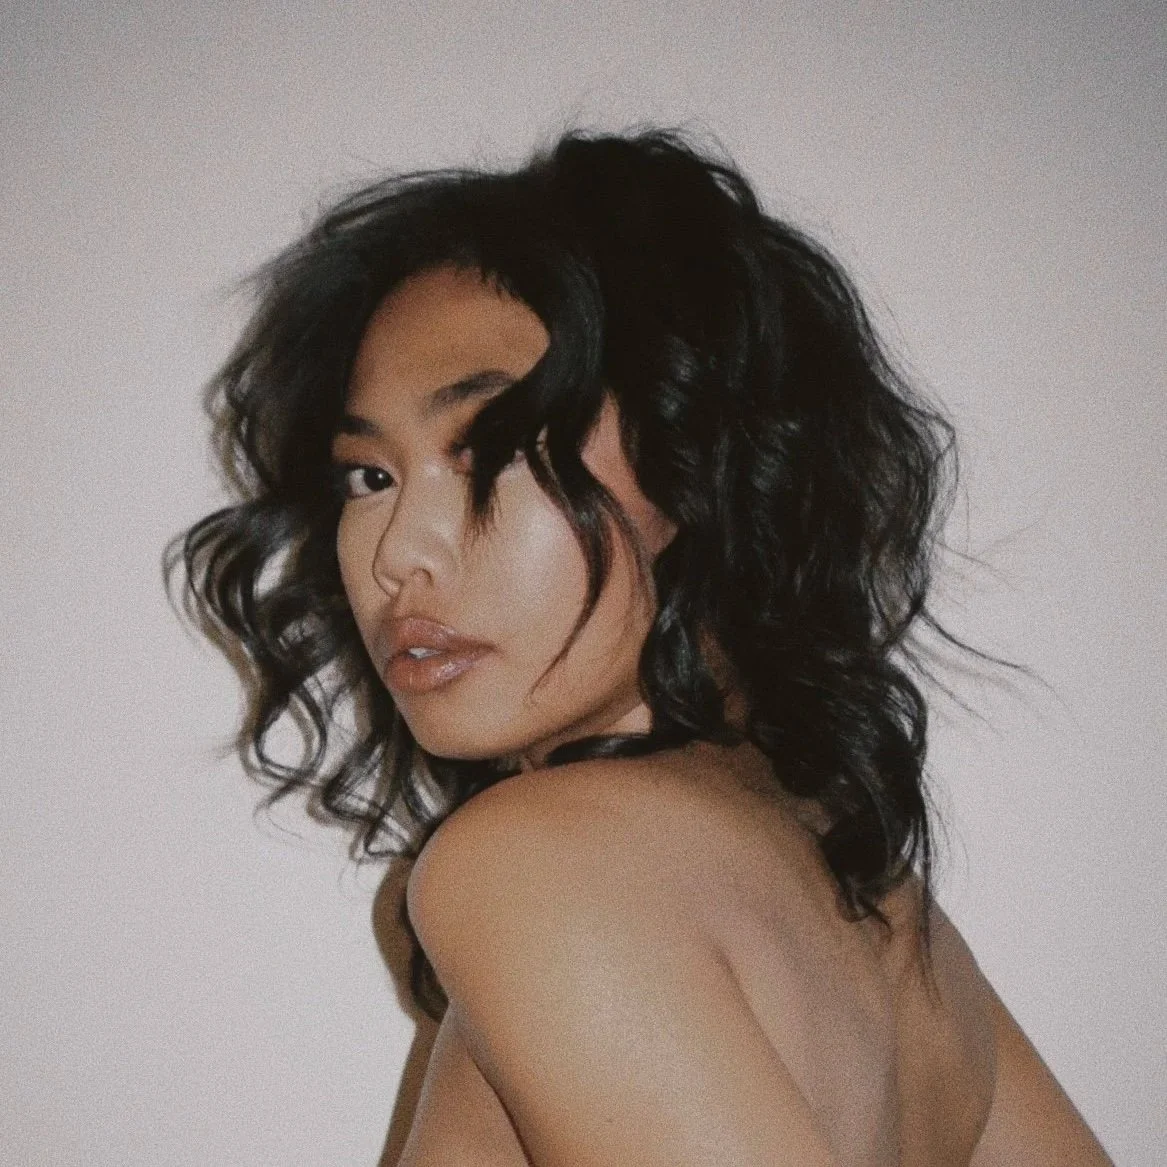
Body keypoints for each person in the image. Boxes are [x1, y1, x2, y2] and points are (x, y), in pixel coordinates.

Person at [174, 128, 1112, 1165]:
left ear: (694, 468)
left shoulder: (536, 864)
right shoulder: (888, 914)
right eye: (370, 477)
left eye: (490, 450)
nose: (399, 552)